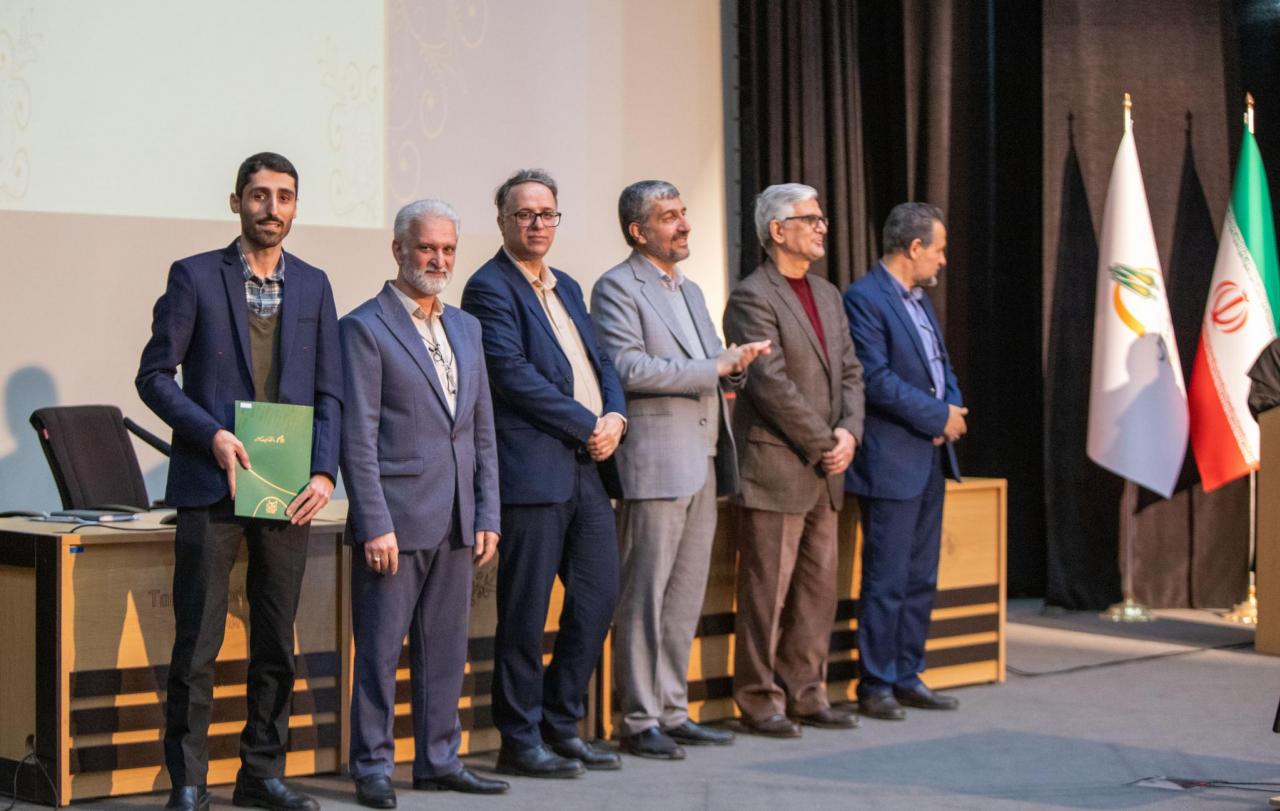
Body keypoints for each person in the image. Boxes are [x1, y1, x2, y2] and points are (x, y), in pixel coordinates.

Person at [136, 152, 340, 811]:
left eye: (284, 195)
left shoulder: (315, 285)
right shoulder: (194, 275)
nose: (271, 207)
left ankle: (260, 774)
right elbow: (154, 376)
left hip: (285, 487)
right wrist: (211, 435)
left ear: (295, 206)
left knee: (276, 641)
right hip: (211, 481)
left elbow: (330, 392)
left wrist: (323, 469)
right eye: (258, 194)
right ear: (237, 202)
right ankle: (188, 781)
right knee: (197, 643)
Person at [591, 180, 770, 759]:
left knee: (684, 595)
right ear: (638, 230)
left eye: (683, 213)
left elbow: (709, 361)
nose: (684, 224)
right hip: (655, 462)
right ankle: (638, 717)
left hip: (704, 457)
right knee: (644, 595)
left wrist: (734, 366)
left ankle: (672, 708)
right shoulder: (618, 286)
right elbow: (626, 367)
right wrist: (713, 367)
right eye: (669, 216)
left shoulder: (690, 289)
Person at [339, 199, 509, 807]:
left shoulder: (468, 327)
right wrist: (373, 523)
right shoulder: (364, 327)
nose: (438, 260)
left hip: (459, 517)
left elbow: (482, 430)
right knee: (380, 653)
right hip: (396, 520)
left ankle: (439, 759)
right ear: (398, 250)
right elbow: (356, 437)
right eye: (427, 248)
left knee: (445, 652)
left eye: (447, 249)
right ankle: (372, 766)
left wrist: (488, 513)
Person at [460, 169, 627, 778]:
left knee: (599, 598)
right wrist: (588, 423)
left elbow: (602, 361)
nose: (537, 224)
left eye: (547, 213)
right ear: (503, 221)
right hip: (532, 473)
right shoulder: (488, 287)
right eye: (525, 214)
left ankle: (561, 722)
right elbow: (510, 374)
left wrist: (615, 417)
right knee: (525, 615)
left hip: (588, 468)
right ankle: (519, 737)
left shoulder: (569, 286)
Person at [721, 182, 865, 738]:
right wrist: (826, 443)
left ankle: (806, 693)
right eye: (811, 219)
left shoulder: (827, 293)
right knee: (766, 594)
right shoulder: (752, 296)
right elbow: (770, 384)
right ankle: (759, 700)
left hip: (827, 468)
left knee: (815, 592)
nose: (823, 227)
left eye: (822, 218)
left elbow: (851, 371)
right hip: (777, 467)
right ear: (778, 231)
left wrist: (849, 432)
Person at [843, 202, 966, 721]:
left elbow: (940, 366)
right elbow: (876, 379)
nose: (942, 260)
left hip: (931, 457)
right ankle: (875, 685)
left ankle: (908, 674)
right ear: (914, 248)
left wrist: (952, 409)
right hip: (891, 460)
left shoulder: (920, 300)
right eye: (938, 249)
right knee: (887, 579)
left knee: (920, 578)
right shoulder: (865, 298)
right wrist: (938, 416)